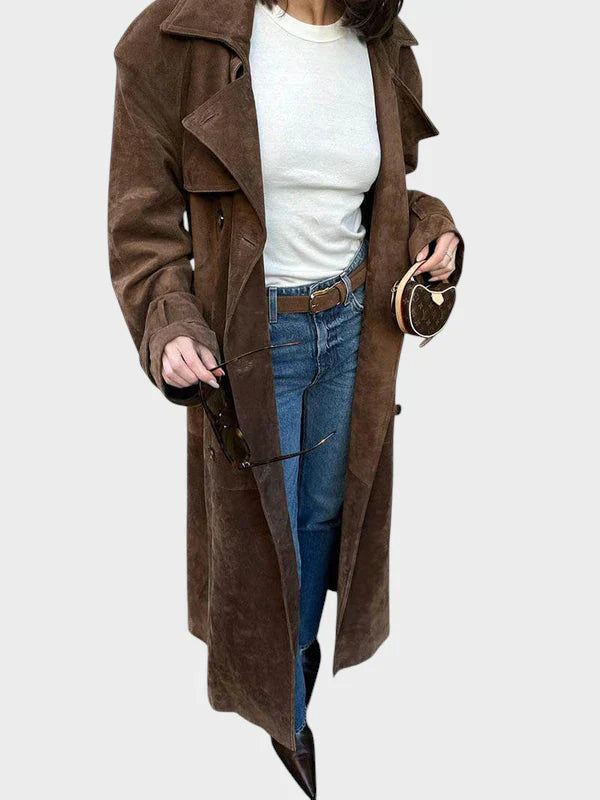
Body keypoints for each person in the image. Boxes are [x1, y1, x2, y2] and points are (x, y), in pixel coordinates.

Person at [108, 0, 463, 796]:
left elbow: (391, 191)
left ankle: (295, 658)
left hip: (356, 327)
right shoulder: (174, 39)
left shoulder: (383, 44)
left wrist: (432, 231)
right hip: (249, 339)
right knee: (265, 537)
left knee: (325, 519)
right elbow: (142, 224)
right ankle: (283, 710)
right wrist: (170, 323)